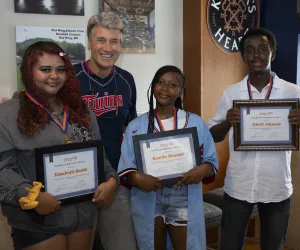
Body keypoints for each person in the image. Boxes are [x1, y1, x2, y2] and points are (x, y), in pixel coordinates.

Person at [0, 41, 119, 250]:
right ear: (29, 72)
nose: (54, 76)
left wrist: (111, 181)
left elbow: (99, 156)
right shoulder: (7, 115)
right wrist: (31, 195)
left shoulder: (81, 110)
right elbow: (2, 169)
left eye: (61, 69)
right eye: (45, 69)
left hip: (82, 217)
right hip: (36, 222)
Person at [208, 27, 300, 250]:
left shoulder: (292, 92)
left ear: (273, 53)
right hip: (239, 185)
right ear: (243, 56)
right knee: (229, 245)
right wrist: (227, 122)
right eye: (249, 50)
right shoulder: (232, 93)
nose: (256, 55)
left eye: (262, 49)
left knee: (272, 247)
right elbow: (212, 136)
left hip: (277, 185)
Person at [118, 65, 218, 250]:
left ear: (181, 92)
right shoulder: (136, 126)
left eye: (172, 85)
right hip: (149, 198)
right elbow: (127, 166)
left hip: (183, 196)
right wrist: (136, 177)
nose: (164, 88)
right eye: (160, 82)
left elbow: (210, 162)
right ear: (153, 86)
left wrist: (202, 170)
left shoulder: (195, 122)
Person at [73, 12, 137, 250]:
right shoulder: (69, 79)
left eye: (114, 41)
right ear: (89, 42)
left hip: (116, 181)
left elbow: (132, 128)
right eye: (101, 40)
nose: (107, 47)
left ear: (120, 45)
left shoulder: (126, 80)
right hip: (76, 181)